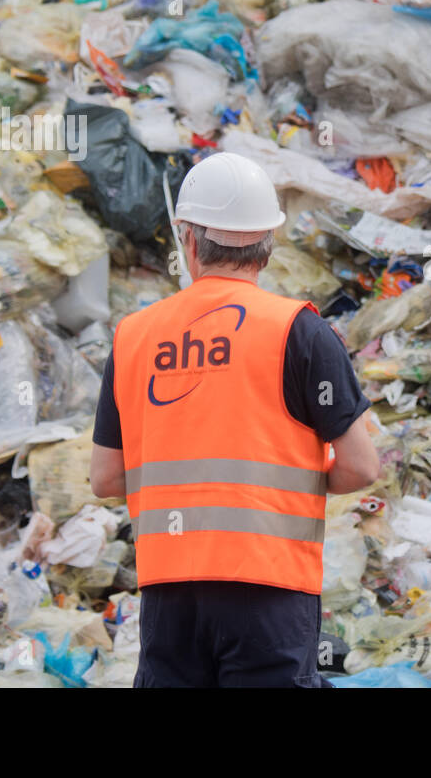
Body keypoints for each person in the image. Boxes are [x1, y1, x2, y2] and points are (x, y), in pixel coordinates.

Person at [89, 151, 381, 687]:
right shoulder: (300, 331)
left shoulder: (133, 337)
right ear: (267, 246)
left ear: (188, 240)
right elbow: (362, 468)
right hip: (268, 590)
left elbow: (106, 478)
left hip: (169, 594)